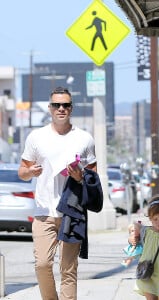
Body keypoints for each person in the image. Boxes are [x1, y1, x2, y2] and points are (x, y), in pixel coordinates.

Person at [18, 86, 97, 300]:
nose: (61, 109)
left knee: (68, 269)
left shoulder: (84, 139)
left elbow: (93, 177)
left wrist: (80, 177)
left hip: (73, 212)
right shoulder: (36, 137)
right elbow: (22, 172)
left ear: (71, 108)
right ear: (50, 108)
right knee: (43, 264)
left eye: (66, 105)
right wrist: (31, 172)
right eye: (56, 105)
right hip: (44, 211)